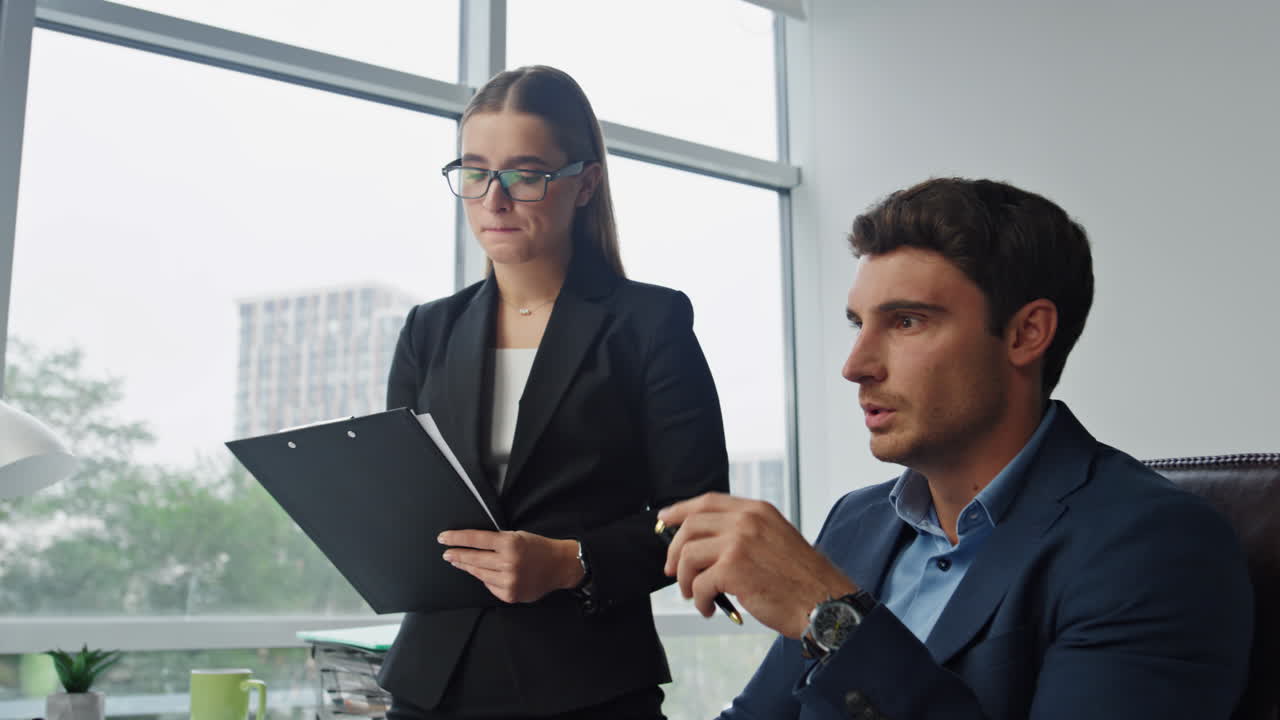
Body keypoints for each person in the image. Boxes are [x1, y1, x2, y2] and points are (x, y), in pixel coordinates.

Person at [659, 178, 1254, 719]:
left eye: (907, 321)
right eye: (857, 324)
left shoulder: (1155, 546)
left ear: (1027, 334)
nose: (855, 365)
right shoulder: (856, 522)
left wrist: (830, 617)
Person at [379, 66, 729, 720]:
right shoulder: (429, 330)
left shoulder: (648, 323)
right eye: (476, 171)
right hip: (431, 687)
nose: (495, 199)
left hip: (587, 687)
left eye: (526, 173)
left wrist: (573, 562)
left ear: (586, 183)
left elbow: (698, 519)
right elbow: (403, 503)